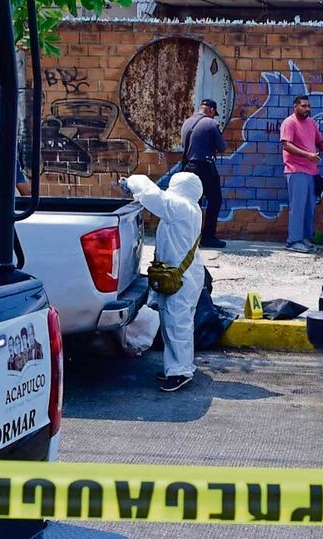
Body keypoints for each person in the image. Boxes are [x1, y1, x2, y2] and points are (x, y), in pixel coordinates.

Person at [121, 172, 204, 392]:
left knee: (178, 324)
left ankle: (180, 372)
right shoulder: (189, 208)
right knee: (176, 323)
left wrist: (131, 182)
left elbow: (151, 194)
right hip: (185, 276)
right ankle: (175, 367)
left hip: (181, 279)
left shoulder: (180, 207)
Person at [280, 95, 323, 254]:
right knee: (297, 207)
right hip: (295, 170)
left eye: (308, 106)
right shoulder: (289, 123)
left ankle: (305, 238)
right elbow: (286, 145)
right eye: (303, 106)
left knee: (308, 207)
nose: (307, 109)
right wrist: (307, 155)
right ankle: (293, 241)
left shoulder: (311, 123)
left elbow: (319, 141)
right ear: (295, 107)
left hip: (311, 171)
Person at [180, 99, 227, 249]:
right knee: (215, 200)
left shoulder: (187, 122)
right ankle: (208, 236)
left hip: (188, 166)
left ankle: (191, 236)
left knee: (194, 203)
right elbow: (222, 147)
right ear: (212, 111)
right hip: (204, 167)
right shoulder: (212, 124)